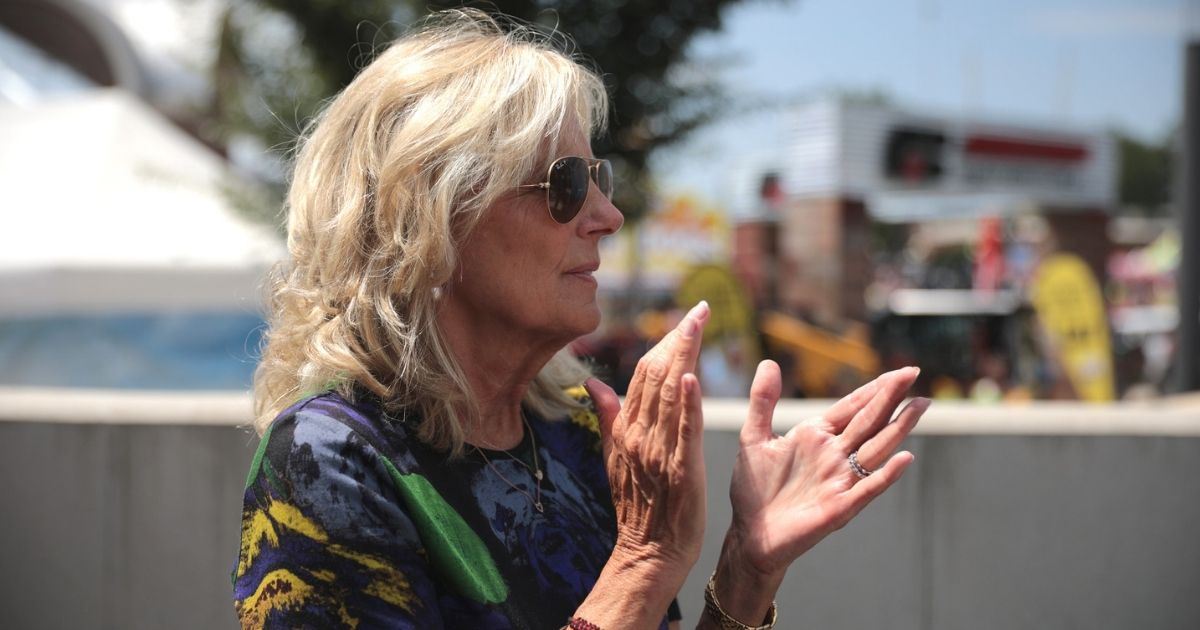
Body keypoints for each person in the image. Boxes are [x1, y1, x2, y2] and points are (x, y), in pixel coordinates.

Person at [232, 10, 929, 629]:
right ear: (431, 223)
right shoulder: (328, 462)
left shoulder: (574, 434)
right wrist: (645, 560)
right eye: (565, 183)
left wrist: (745, 574)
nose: (607, 215)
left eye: (602, 178)